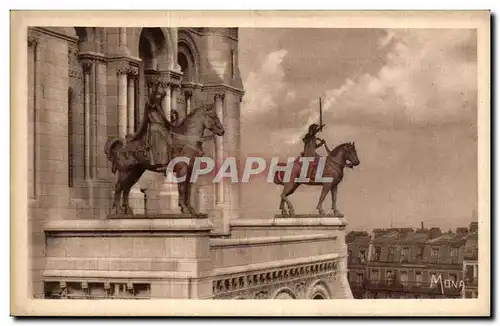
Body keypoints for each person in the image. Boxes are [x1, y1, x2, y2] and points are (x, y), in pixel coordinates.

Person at [128, 84, 173, 174]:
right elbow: (152, 98)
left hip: (160, 127)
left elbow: (164, 120)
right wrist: (155, 89)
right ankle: (161, 163)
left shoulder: (159, 108)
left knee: (170, 139)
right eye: (159, 97)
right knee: (162, 138)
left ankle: (169, 161)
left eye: (161, 97)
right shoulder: (151, 106)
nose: (160, 98)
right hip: (155, 128)